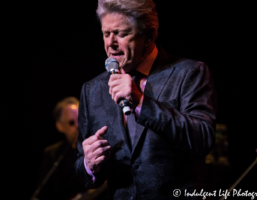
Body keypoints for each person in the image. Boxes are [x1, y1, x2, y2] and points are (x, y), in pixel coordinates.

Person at [75, 0, 217, 199]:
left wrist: (142, 103)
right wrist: (89, 165)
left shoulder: (189, 73)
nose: (110, 43)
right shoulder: (92, 90)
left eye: (122, 34)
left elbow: (202, 138)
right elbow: (81, 168)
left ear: (149, 36)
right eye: (106, 34)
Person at [35, 97, 85, 200]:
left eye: (80, 119)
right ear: (60, 126)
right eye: (71, 123)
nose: (78, 126)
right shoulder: (53, 154)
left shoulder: (97, 144)